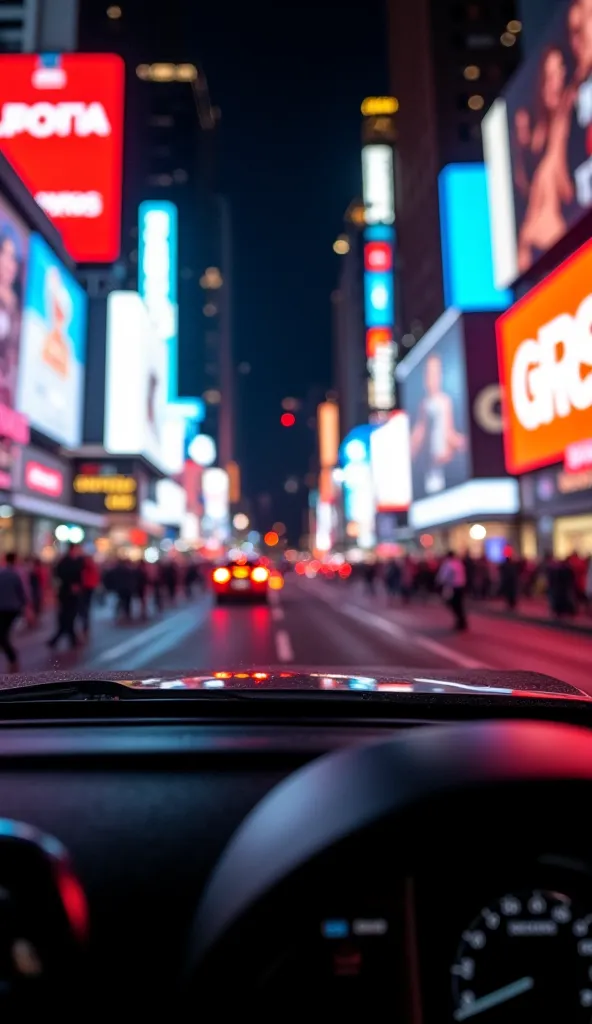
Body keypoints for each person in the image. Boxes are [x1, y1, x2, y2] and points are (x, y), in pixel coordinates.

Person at [410, 355, 467, 495]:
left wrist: (462, 443)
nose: (433, 378)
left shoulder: (445, 401)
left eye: (436, 373)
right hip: (429, 465)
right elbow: (419, 432)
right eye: (429, 374)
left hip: (445, 461)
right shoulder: (424, 404)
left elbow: (449, 432)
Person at [48, 543, 83, 650]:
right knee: (68, 615)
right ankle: (66, 638)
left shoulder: (74, 561)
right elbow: (61, 574)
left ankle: (69, 638)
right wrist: (72, 584)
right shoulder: (67, 562)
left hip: (69, 592)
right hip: (67, 592)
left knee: (69, 616)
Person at [0, 552, 28, 671]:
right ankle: (11, 655)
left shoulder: (4, 573)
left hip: (4, 608)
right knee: (3, 634)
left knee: (2, 635)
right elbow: (22, 593)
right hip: (12, 609)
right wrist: (24, 607)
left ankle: (12, 656)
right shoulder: (17, 574)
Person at [436, 550, 468, 631]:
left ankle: (460, 622)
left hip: (452, 587)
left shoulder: (448, 564)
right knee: (459, 605)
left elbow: (443, 576)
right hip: (460, 586)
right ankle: (462, 622)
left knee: (453, 605)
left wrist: (439, 583)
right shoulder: (459, 563)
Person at [79, 554, 100, 638]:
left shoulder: (87, 567)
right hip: (89, 587)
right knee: (85, 608)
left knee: (84, 608)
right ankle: (85, 625)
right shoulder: (93, 566)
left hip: (86, 588)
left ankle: (85, 625)